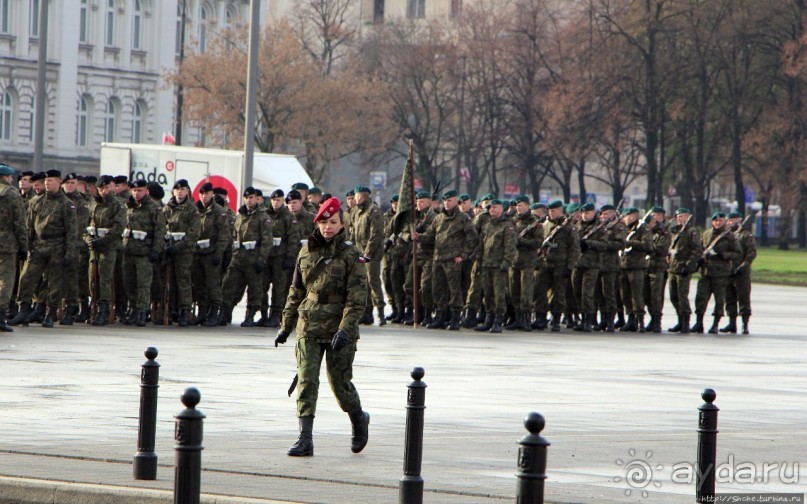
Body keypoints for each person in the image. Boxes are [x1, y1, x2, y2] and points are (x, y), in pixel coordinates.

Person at [274, 197, 370, 457]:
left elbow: (357, 299)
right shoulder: (306, 252)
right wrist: (286, 325)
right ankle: (305, 438)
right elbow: (296, 291)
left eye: (334, 222)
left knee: (339, 384)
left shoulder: (352, 254)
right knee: (306, 379)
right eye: (324, 222)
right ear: (317, 223)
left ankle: (359, 418)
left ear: (342, 224)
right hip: (310, 324)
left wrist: (346, 329)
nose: (328, 227)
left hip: (339, 327)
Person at [11, 170, 76, 328]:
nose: (47, 183)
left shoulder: (67, 204)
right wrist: (26, 247)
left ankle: (50, 313)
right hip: (38, 246)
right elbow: (29, 227)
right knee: (26, 278)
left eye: (51, 181)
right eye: (46, 181)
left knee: (54, 282)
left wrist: (69, 253)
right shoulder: (36, 201)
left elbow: (72, 231)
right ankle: (23, 312)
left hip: (57, 246)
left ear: (59, 182)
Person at [417, 189, 478, 330]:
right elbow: (430, 236)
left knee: (454, 290)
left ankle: (455, 318)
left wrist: (463, 255)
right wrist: (418, 237)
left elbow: (472, 238)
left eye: (449, 200)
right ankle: (440, 316)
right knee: (438, 289)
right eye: (445, 200)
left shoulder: (463, 218)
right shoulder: (438, 218)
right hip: (438, 259)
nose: (446, 203)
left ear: (456, 201)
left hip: (453, 260)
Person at [220, 187, 273, 327]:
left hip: (254, 258)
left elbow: (267, 241)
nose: (249, 200)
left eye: (251, 198)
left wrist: (261, 259)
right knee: (228, 284)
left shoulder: (263, 217)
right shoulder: (240, 216)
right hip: (238, 257)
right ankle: (225, 312)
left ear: (257, 199)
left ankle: (250, 315)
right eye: (247, 198)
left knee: (255, 289)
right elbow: (233, 236)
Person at [122, 180, 167, 327]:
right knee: (129, 283)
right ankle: (134, 309)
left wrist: (156, 250)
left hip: (144, 252)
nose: (136, 193)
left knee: (143, 284)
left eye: (139, 190)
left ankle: (142, 311)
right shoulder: (128, 207)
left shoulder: (153, 208)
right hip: (128, 251)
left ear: (146, 191)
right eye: (134, 190)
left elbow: (160, 231)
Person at [85, 175, 126, 326]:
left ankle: (104, 310)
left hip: (109, 247)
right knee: (92, 279)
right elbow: (85, 226)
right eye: (101, 188)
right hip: (94, 247)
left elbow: (118, 227)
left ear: (112, 187)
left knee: (105, 279)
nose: (104, 191)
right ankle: (93, 306)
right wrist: (88, 239)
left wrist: (102, 240)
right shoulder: (93, 204)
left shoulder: (118, 205)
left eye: (107, 187)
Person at [470, 199, 516, 333]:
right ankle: (488, 320)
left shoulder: (508, 226)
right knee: (488, 293)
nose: (492, 210)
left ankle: (498, 321)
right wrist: (478, 260)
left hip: (498, 265)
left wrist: (506, 262)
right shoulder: (487, 225)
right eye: (490, 208)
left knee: (499, 294)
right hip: (486, 264)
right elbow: (481, 244)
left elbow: (510, 247)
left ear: (502, 209)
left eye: (495, 207)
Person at [692, 212, 740, 334]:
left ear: (724, 221)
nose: (718, 223)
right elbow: (700, 249)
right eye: (715, 221)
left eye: (720, 220)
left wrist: (723, 254)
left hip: (721, 273)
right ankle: (699, 322)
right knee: (701, 298)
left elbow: (737, 254)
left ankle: (715, 324)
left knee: (719, 300)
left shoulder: (730, 236)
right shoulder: (707, 234)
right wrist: (700, 258)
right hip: (706, 272)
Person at [191, 182, 228, 327]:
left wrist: (218, 253)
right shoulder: (195, 210)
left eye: (206, 194)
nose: (204, 196)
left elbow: (224, 235)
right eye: (201, 194)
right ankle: (202, 312)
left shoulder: (218, 211)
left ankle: (214, 313)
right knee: (199, 284)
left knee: (213, 285)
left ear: (211, 194)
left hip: (211, 253)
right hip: (197, 252)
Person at [350, 185, 385, 326]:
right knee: (363, 283)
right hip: (359, 253)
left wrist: (367, 253)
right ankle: (367, 313)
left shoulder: (373, 210)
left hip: (371, 254)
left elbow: (376, 234)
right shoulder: (356, 212)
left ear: (363, 196)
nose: (354, 199)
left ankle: (381, 313)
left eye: (356, 196)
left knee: (373, 282)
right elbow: (353, 233)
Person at [0, 164, 27, 331]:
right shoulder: (11, 194)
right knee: (5, 280)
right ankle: (1, 316)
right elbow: (19, 223)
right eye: (10, 177)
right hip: (7, 244)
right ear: (5, 177)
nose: (11, 180)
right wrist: (24, 246)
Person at [666, 208, 702, 334]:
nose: (680, 219)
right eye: (678, 216)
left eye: (682, 216)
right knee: (673, 296)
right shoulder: (674, 231)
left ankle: (686, 322)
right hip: (673, 268)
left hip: (683, 268)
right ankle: (680, 320)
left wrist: (688, 265)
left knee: (682, 296)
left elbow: (697, 250)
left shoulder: (691, 231)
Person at [722, 211, 756, 334]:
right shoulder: (726, 235)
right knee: (729, 298)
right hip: (728, 271)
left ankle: (745, 324)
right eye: (729, 221)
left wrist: (743, 266)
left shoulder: (746, 235)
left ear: (739, 221)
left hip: (741, 273)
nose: (730, 223)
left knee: (744, 298)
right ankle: (732, 323)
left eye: (733, 220)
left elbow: (751, 253)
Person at [643, 207, 671, 333]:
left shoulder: (664, 232)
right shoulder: (647, 230)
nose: (656, 217)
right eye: (653, 215)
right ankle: (651, 319)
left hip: (658, 267)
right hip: (646, 266)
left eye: (659, 215)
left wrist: (646, 246)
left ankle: (656, 320)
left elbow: (661, 248)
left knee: (656, 296)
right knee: (647, 296)